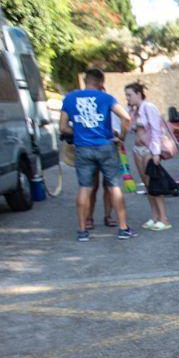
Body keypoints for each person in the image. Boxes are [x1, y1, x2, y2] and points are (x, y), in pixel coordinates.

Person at [61, 68, 133, 241]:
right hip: (105, 145)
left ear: (85, 81)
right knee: (113, 186)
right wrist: (121, 137)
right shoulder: (106, 98)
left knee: (85, 188)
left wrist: (78, 132)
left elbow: (63, 127)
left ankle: (82, 230)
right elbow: (126, 118)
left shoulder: (70, 98)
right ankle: (123, 228)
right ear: (101, 82)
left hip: (83, 148)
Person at [125, 83, 172, 231]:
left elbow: (156, 130)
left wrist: (156, 152)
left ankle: (164, 218)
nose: (127, 98)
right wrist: (129, 110)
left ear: (139, 94)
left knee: (154, 183)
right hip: (137, 148)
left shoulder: (149, 107)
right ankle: (154, 216)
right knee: (146, 184)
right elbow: (128, 126)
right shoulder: (135, 111)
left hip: (148, 150)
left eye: (129, 95)